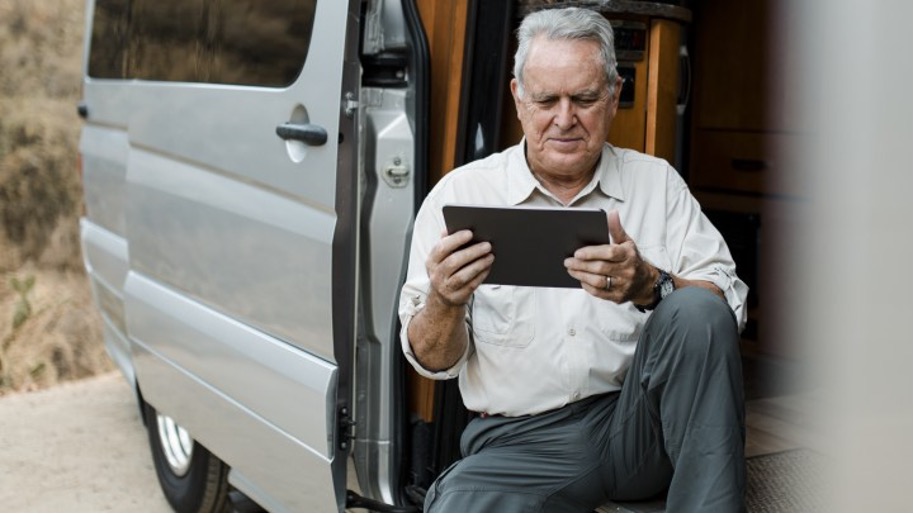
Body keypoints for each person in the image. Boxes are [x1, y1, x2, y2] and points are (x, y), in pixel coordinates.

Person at [398, 7, 749, 512]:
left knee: (694, 308)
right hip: (520, 443)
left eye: (584, 99)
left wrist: (652, 285)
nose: (565, 119)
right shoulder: (463, 195)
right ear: (518, 98)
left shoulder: (656, 184)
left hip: (637, 429)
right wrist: (446, 300)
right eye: (546, 100)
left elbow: (724, 312)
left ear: (614, 96)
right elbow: (431, 361)